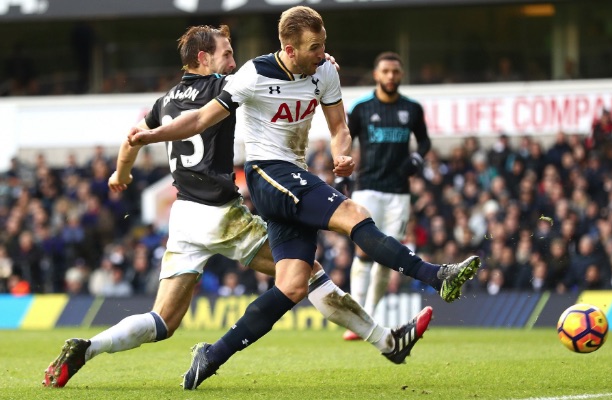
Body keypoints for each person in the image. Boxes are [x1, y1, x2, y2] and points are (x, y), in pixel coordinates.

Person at [43, 24, 433, 389]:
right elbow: (272, 69)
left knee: (162, 320)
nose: (233, 62)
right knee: (306, 276)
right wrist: (318, 60)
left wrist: (120, 175)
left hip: (184, 218)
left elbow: (132, 139)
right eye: (226, 54)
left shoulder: (163, 102)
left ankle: (89, 347)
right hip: (220, 214)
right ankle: (386, 341)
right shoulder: (226, 84)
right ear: (202, 59)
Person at [128, 6, 479, 390]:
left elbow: (339, 127)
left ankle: (212, 356)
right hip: (267, 173)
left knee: (293, 284)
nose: (323, 53)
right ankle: (436, 275)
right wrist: (151, 137)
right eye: (315, 47)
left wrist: (342, 152)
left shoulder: (324, 70)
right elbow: (197, 120)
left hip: (295, 173)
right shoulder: (253, 75)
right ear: (288, 49)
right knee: (353, 213)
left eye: (323, 44)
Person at [342, 52, 431, 341]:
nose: (391, 76)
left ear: (401, 75)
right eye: (385, 71)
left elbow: (425, 140)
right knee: (364, 250)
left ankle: (370, 314)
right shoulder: (362, 108)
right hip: (367, 187)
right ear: (376, 74)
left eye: (395, 71)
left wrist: (417, 159)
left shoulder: (412, 109)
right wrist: (342, 172)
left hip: (398, 193)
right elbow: (345, 138)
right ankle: (356, 316)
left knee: (388, 256)